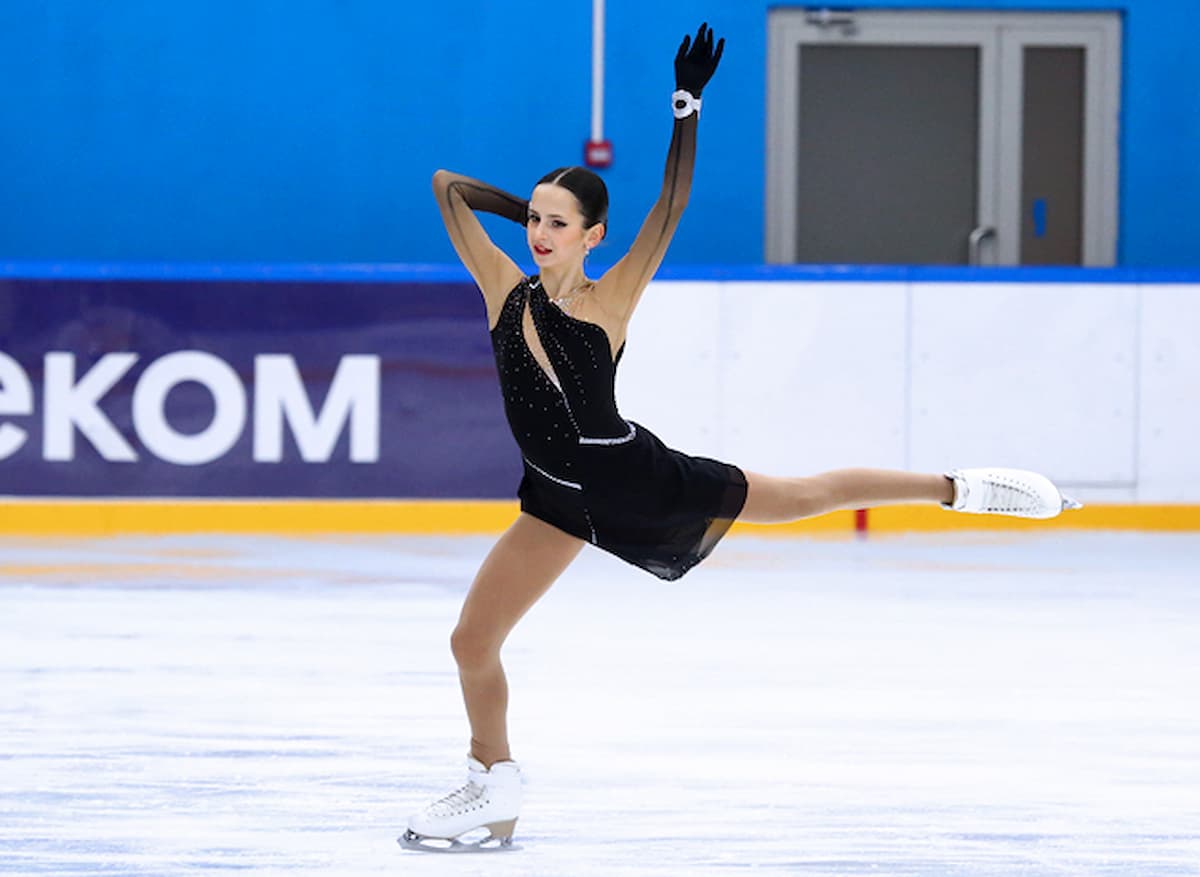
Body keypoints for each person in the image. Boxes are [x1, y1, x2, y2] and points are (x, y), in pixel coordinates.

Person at [400, 23, 1079, 852]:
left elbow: (671, 202)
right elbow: (447, 187)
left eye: (557, 223)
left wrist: (686, 107)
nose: (538, 236)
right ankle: (492, 784)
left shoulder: (606, 303)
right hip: (555, 499)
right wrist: (528, 206)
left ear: (594, 237)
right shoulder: (502, 288)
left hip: (630, 479)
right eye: (535, 221)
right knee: (471, 638)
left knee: (800, 497)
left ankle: (960, 486)